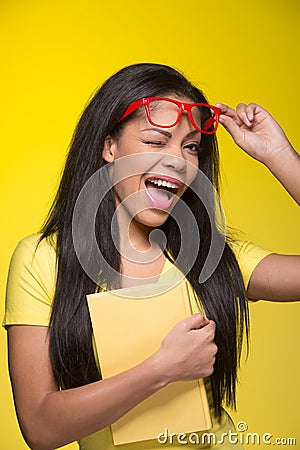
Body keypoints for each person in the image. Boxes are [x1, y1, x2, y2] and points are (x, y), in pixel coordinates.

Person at [3, 63, 300, 450]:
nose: (178, 159)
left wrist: (280, 155)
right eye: (157, 142)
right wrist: (161, 370)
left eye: (191, 146)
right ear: (109, 146)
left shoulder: (210, 258)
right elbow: (41, 429)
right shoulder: (42, 260)